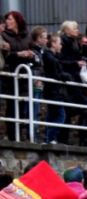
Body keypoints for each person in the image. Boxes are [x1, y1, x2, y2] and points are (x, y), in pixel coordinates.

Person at [1, 11, 32, 141]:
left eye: (10, 19)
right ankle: (13, 135)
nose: (7, 21)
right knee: (12, 105)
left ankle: (22, 134)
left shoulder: (26, 36)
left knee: (23, 106)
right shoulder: (4, 36)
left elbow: (33, 48)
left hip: (24, 74)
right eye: (7, 19)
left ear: (17, 21)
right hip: (10, 73)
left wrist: (31, 53)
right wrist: (18, 54)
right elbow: (6, 55)